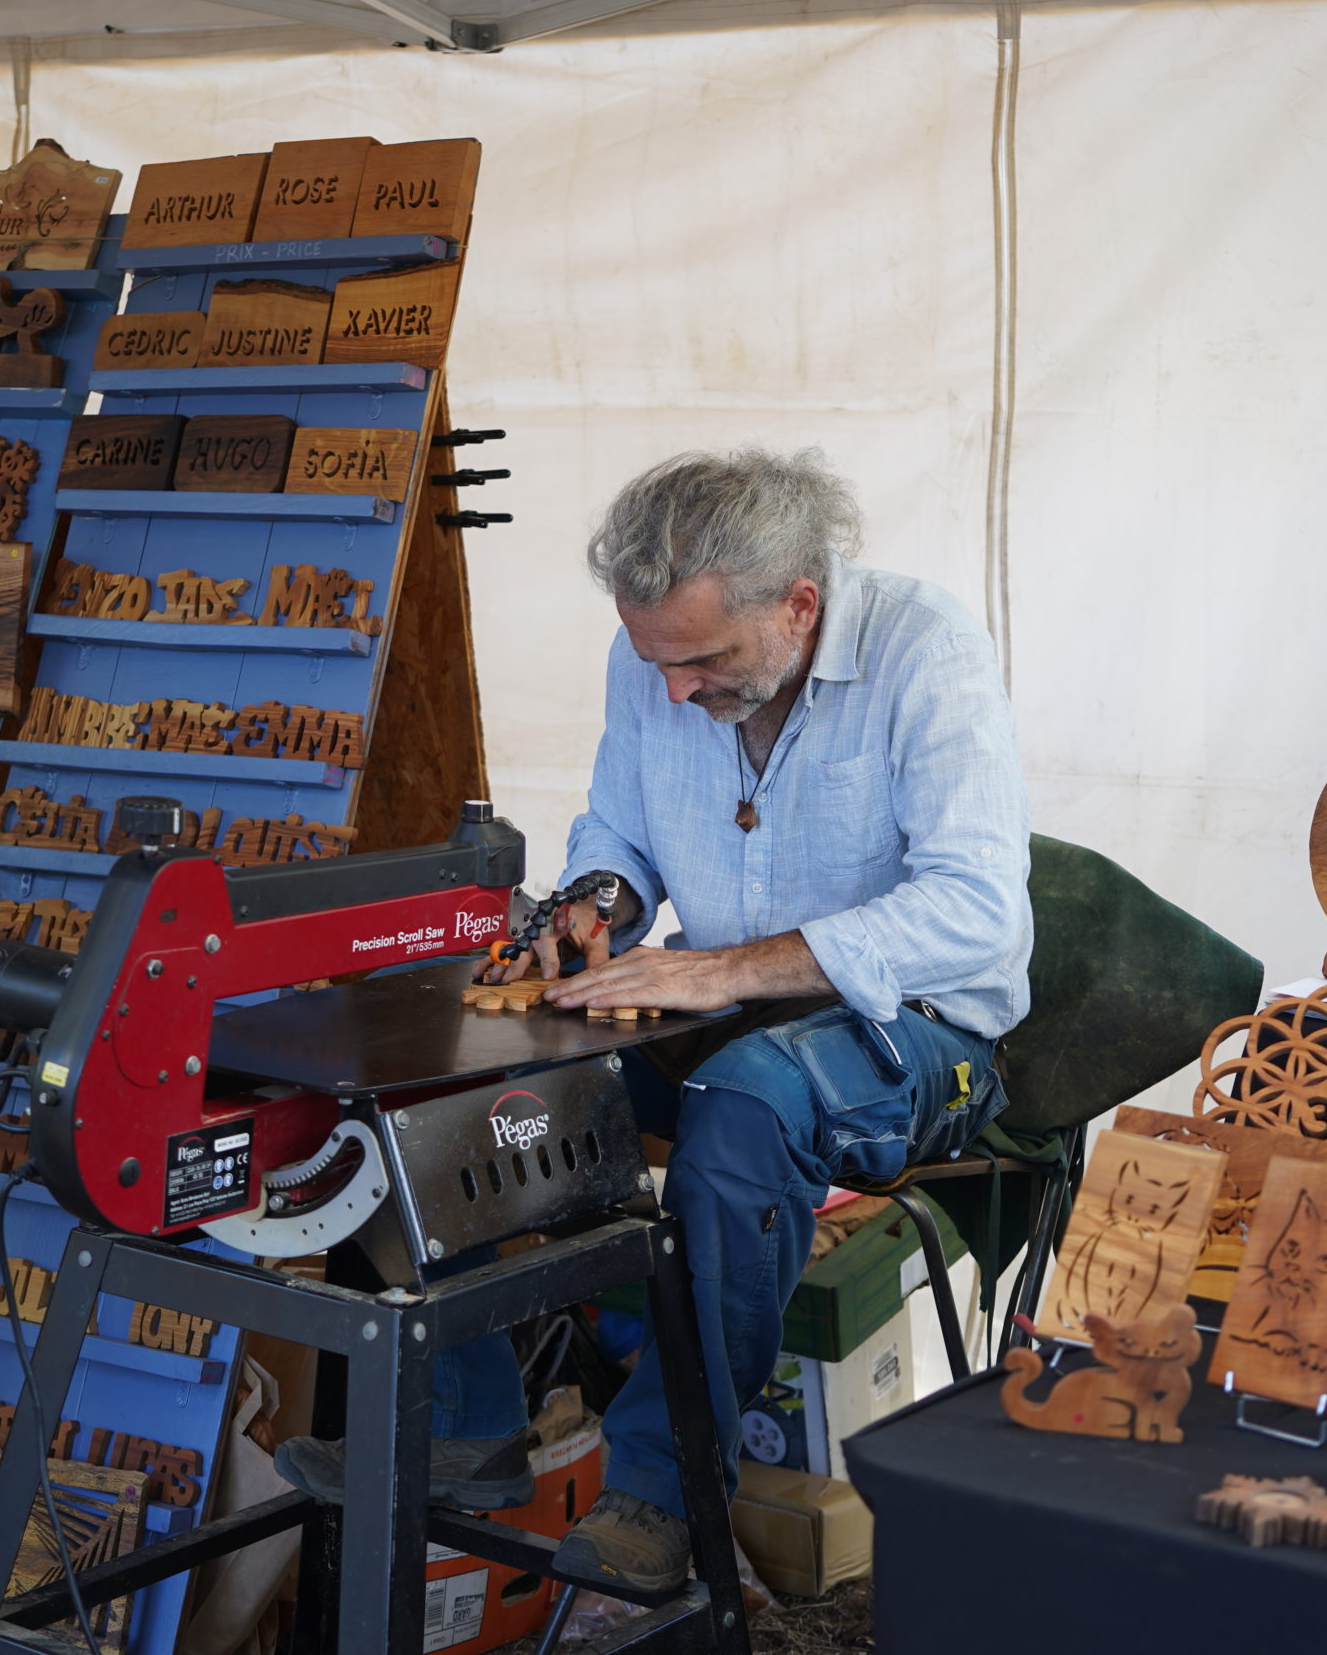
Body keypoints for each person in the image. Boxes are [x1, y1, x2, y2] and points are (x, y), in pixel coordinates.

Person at [278, 446, 1032, 1592]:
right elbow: (619, 838)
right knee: (460, 1077)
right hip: (718, 1007)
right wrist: (591, 910)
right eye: (656, 661)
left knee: (743, 1110)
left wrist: (728, 969)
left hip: (919, 1031)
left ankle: (662, 1491)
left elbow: (974, 907)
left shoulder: (927, 654)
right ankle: (467, 1425)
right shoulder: (660, 656)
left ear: (800, 604)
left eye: (706, 661)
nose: (675, 690)